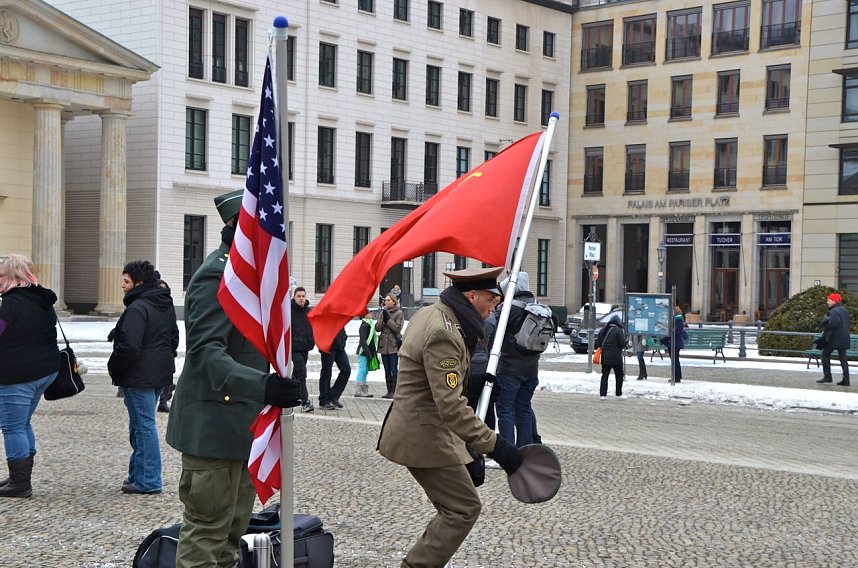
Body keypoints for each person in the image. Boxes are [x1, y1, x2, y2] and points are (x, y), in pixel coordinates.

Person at [165, 189, 302, 568]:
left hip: (243, 425)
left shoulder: (253, 273)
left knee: (230, 535)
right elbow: (207, 354)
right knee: (207, 535)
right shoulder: (217, 274)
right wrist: (263, 386)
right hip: (213, 427)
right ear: (238, 223)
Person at [377, 266, 524, 568]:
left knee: (456, 506)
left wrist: (470, 383)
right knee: (462, 509)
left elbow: (426, 377)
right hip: (423, 435)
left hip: (423, 426)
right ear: (472, 295)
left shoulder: (434, 314)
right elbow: (451, 408)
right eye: (491, 299)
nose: (494, 305)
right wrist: (496, 446)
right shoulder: (445, 331)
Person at [108, 260, 179, 494]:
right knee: (140, 427)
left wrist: (114, 366)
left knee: (144, 427)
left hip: (139, 375)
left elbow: (129, 346)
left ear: (139, 282)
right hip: (158, 373)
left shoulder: (138, 307)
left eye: (126, 281)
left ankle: (148, 481)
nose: (123, 286)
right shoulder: (162, 304)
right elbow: (174, 339)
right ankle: (138, 476)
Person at [0, 254, 58, 498]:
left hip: (18, 373)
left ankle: (20, 482)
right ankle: (21, 476)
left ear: (14, 276)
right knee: (22, 423)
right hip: (44, 370)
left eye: (0, 275)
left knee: (12, 426)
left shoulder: (13, 303)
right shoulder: (40, 299)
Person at [486, 272, 540, 447]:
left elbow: (489, 326)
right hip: (532, 369)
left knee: (505, 410)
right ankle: (526, 449)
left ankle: (507, 451)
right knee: (523, 408)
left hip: (509, 369)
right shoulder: (539, 308)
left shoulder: (510, 308)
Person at [154, 272, 177, 413]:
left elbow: (174, 328)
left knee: (168, 375)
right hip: (155, 347)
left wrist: (173, 346)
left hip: (167, 346)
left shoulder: (169, 306)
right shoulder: (147, 306)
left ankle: (163, 401)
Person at [817, 292, 851, 386]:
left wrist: (825, 323)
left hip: (834, 338)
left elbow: (834, 323)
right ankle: (846, 379)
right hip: (844, 337)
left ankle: (827, 376)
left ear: (834, 301)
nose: (827, 302)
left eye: (829, 300)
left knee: (825, 355)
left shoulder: (833, 311)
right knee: (843, 358)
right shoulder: (844, 310)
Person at [290, 286, 316, 412]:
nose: (301, 298)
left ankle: (290, 392)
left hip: (305, 347)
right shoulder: (288, 311)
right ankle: (305, 402)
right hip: (293, 348)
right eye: (299, 296)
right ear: (294, 297)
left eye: (303, 296)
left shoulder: (309, 312)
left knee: (296, 374)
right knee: (302, 373)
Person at [376, 293, 404, 398]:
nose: (386, 302)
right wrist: (383, 319)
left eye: (388, 300)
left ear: (394, 302)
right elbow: (377, 328)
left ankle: (394, 391)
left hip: (393, 345)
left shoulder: (399, 313)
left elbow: (397, 328)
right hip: (384, 345)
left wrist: (388, 320)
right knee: (386, 369)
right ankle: (388, 391)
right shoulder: (383, 312)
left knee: (393, 369)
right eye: (385, 300)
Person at [318, 327, 351, 410]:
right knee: (327, 373)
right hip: (327, 346)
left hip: (339, 346)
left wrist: (344, 337)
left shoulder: (339, 314)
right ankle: (324, 400)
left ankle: (333, 395)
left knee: (346, 369)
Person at [596, 314, 627, 399]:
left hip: (605, 357)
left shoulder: (603, 330)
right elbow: (622, 344)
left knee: (605, 375)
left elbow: (598, 343)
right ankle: (618, 393)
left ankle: (603, 394)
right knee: (619, 375)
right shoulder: (618, 331)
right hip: (616, 358)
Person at [354, 311, 378, 398]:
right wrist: (368, 352)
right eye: (369, 313)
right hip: (363, 351)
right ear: (365, 315)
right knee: (362, 370)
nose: (371, 314)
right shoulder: (364, 326)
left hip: (368, 351)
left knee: (365, 371)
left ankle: (364, 388)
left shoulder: (370, 325)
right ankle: (358, 390)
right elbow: (363, 341)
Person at [661, 305, 685, 383]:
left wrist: (667, 337)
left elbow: (675, 332)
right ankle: (677, 376)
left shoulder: (678, 320)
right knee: (675, 360)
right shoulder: (677, 319)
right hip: (674, 343)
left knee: (675, 360)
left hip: (675, 343)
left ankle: (676, 377)